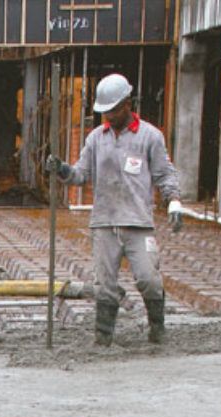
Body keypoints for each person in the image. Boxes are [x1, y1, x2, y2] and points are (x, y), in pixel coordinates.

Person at [46, 73, 183, 346]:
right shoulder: (97, 138)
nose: (108, 117)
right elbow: (79, 175)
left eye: (113, 111)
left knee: (149, 279)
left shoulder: (150, 137)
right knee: (104, 286)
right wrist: (61, 169)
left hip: (138, 222)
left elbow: (164, 174)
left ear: (127, 104)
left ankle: (157, 329)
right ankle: (103, 338)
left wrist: (174, 200)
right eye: (105, 112)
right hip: (104, 223)